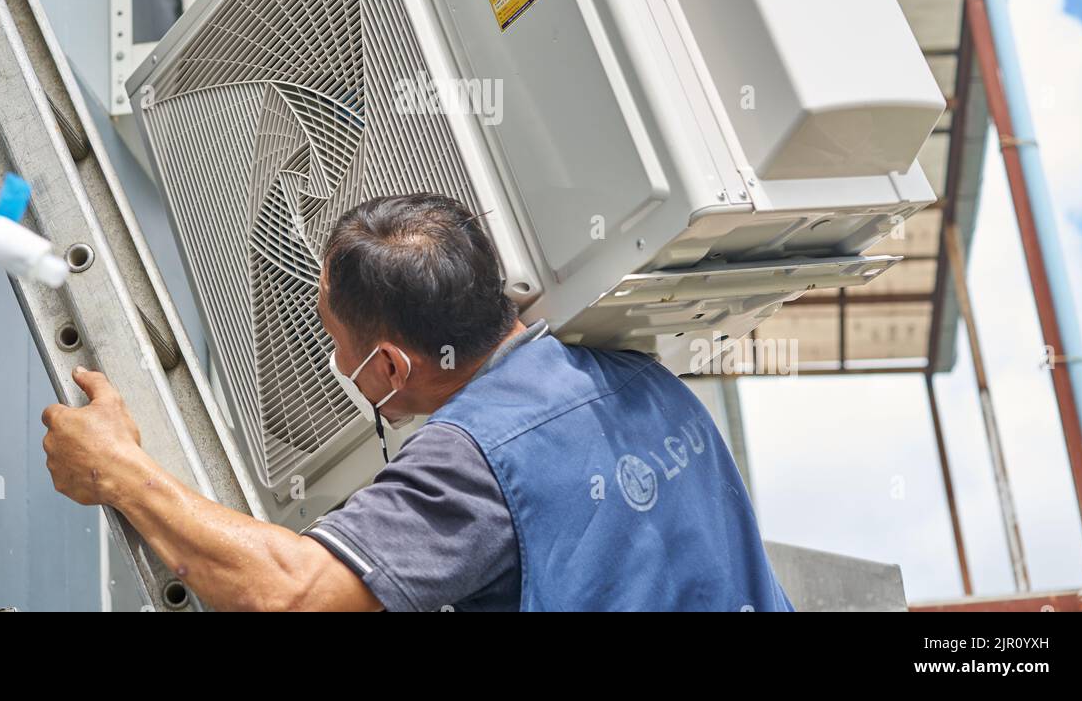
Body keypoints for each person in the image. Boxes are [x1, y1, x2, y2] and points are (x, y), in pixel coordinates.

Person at [41, 192, 792, 611]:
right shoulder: (644, 377)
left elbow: (292, 594)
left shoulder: (477, 457)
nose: (335, 363)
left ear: (392, 365)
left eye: (333, 340)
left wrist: (117, 470)